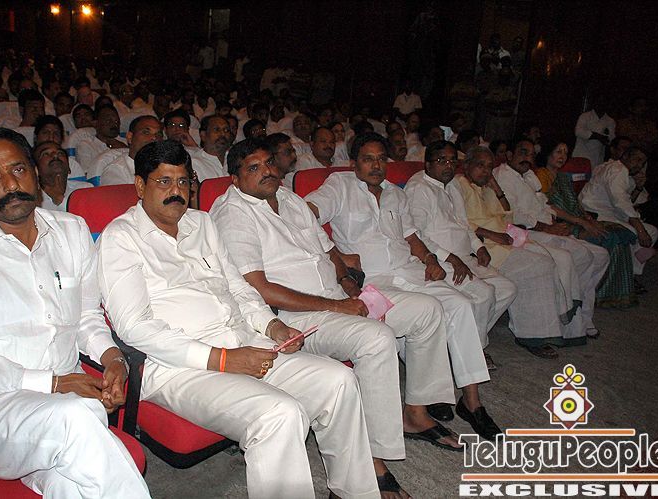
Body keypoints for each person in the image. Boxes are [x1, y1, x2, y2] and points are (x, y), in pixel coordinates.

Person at [97, 140, 379, 499]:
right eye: (164, 182)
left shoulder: (202, 223)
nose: (176, 191)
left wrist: (272, 326)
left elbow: (238, 287)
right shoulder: (121, 238)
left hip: (243, 341)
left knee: (339, 380)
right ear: (140, 186)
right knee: (279, 414)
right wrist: (222, 359)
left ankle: (354, 492)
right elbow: (134, 327)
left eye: (183, 181)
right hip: (180, 368)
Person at [212, 137, 462, 499]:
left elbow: (329, 251)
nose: (267, 171)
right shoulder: (233, 213)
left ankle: (415, 412)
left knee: (427, 310)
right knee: (376, 338)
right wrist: (336, 306)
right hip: (295, 318)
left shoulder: (289, 199)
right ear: (235, 179)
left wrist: (347, 285)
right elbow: (258, 289)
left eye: (269, 163)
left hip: (335, 297)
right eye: (254, 167)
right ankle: (371, 459)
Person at [0, 127, 150, 498]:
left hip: (62, 405)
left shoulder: (71, 231)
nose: (10, 184)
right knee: (77, 419)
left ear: (34, 173)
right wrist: (54, 383)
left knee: (73, 482)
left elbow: (86, 316)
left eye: (18, 169)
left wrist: (113, 358)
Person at [306, 132, 505, 435]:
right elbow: (305, 214)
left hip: (409, 270)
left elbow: (411, 236)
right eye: (368, 159)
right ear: (353, 163)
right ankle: (424, 401)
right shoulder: (340, 185)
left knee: (460, 305)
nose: (376, 165)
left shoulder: (395, 194)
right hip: (371, 282)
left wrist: (430, 259)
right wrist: (336, 255)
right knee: (428, 310)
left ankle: (472, 402)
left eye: (380, 159)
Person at [457, 146, 599, 356]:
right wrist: (494, 235)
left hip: (506, 237)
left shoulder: (485, 187)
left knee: (552, 258)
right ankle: (533, 334)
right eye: (480, 165)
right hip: (485, 245)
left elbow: (506, 214)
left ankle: (556, 325)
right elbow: (461, 223)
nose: (486, 171)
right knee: (539, 265)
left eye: (489, 167)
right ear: (467, 165)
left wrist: (495, 188)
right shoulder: (458, 185)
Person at [402, 140, 517, 353]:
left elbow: (463, 223)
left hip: (464, 257)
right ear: (428, 164)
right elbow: (417, 235)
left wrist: (478, 246)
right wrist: (451, 258)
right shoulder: (419, 189)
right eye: (442, 160)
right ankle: (473, 351)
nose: (448, 166)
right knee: (483, 294)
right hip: (439, 260)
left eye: (452, 161)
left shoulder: (453, 184)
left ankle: (464, 341)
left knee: (506, 288)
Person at [494, 139, 609, 341]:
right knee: (580, 255)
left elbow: (544, 204)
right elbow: (513, 214)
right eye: (522, 152)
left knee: (601, 255)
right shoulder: (503, 176)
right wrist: (548, 228)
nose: (527, 158)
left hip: (546, 227)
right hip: (525, 231)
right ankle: (567, 317)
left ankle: (582, 316)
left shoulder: (528, 175)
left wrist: (557, 223)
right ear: (509, 155)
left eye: (531, 155)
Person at [535, 140, 638, 309]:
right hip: (560, 223)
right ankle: (602, 293)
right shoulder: (541, 175)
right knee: (607, 237)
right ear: (548, 153)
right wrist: (580, 221)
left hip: (577, 219)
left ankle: (613, 293)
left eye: (566, 153)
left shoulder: (563, 176)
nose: (562, 156)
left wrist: (587, 218)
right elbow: (547, 206)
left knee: (620, 234)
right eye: (558, 152)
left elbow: (575, 202)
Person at [580, 146, 658, 276]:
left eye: (642, 163)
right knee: (639, 233)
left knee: (652, 231)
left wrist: (638, 187)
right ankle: (630, 268)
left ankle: (631, 268)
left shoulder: (624, 172)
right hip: (595, 213)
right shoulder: (617, 170)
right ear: (625, 156)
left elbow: (628, 201)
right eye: (637, 160)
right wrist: (640, 229)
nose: (639, 165)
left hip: (611, 213)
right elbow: (621, 202)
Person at [96, 115, 163, 186]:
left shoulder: (165, 165)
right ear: (130, 137)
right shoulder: (116, 171)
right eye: (146, 132)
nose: (154, 137)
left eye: (158, 134)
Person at [33, 141, 92, 211]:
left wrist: (59, 199)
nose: (55, 155)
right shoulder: (31, 199)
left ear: (69, 168)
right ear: (36, 170)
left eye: (60, 153)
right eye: (46, 154)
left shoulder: (85, 189)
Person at [75, 105, 127, 173]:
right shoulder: (86, 145)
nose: (114, 124)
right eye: (108, 121)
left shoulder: (126, 142)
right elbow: (87, 173)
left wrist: (125, 149)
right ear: (96, 123)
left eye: (116, 121)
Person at [572, 96, 616, 167]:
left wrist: (605, 138)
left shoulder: (610, 121)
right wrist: (598, 136)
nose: (601, 105)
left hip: (597, 159)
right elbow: (578, 131)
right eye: (599, 102)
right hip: (581, 155)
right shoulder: (585, 116)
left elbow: (611, 140)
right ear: (595, 103)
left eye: (604, 103)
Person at [190, 115, 232, 181]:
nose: (223, 134)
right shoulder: (194, 163)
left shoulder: (236, 159)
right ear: (203, 135)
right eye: (216, 130)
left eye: (226, 130)